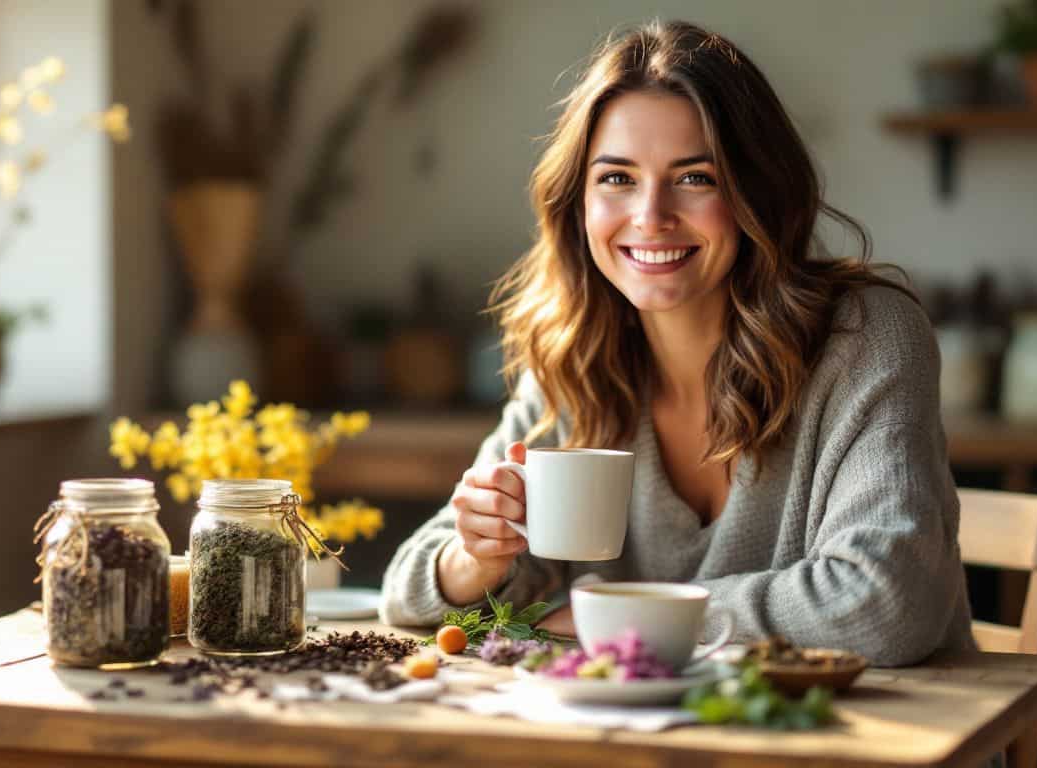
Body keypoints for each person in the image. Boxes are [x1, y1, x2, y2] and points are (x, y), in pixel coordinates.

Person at [379, 19, 974, 667]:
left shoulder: (864, 337)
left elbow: (887, 606)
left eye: (696, 177)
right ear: (577, 201)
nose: (650, 215)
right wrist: (474, 558)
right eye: (617, 178)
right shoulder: (572, 357)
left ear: (756, 193)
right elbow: (407, 598)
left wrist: (614, 618)